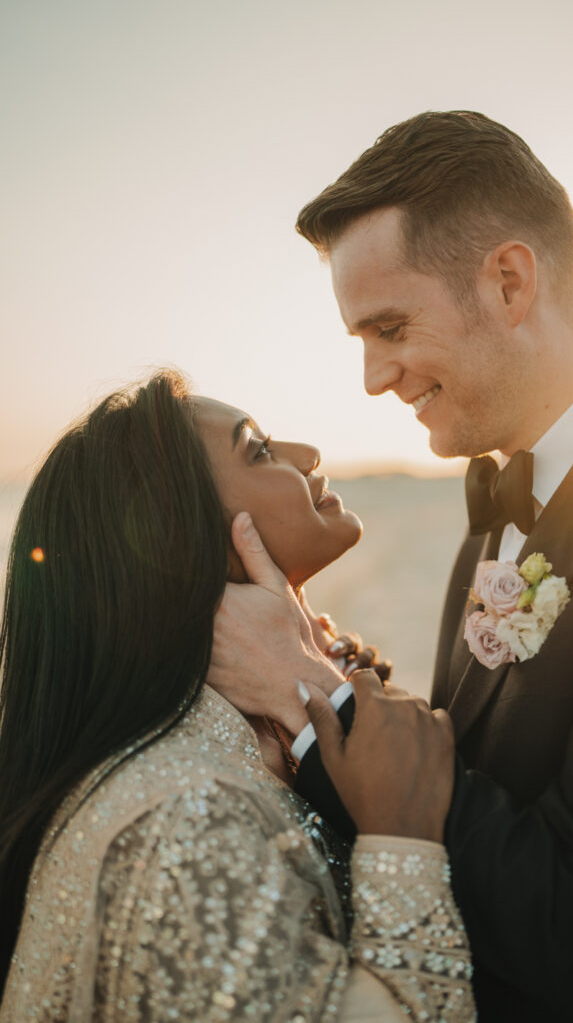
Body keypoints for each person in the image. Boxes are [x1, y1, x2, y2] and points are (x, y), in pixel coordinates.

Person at [209, 112, 573, 1021]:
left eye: (392, 327)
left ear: (510, 282)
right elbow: (481, 772)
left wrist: (309, 693)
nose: (373, 377)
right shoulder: (494, 513)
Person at [0, 370, 475, 1021]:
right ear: (177, 541)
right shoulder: (185, 823)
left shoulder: (253, 735)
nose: (308, 455)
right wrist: (402, 842)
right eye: (259, 449)